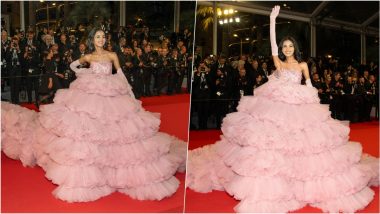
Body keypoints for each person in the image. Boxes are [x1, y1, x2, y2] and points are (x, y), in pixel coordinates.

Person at [186, 6, 378, 213]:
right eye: (284, 46)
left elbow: (309, 84)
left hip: (300, 105)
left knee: (306, 145)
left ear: (295, 47)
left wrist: (315, 102)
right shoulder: (278, 63)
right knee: (273, 141)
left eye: (289, 46)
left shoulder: (303, 65)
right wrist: (272, 20)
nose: (287, 49)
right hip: (279, 105)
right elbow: (272, 46)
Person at [2, 27, 186, 203]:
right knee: (89, 126)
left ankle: (112, 167)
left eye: (103, 37)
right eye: (98, 37)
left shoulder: (111, 55)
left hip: (111, 92)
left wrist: (129, 93)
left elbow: (120, 73)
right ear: (93, 39)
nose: (101, 39)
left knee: (116, 128)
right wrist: (84, 71)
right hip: (91, 92)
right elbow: (73, 65)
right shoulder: (89, 56)